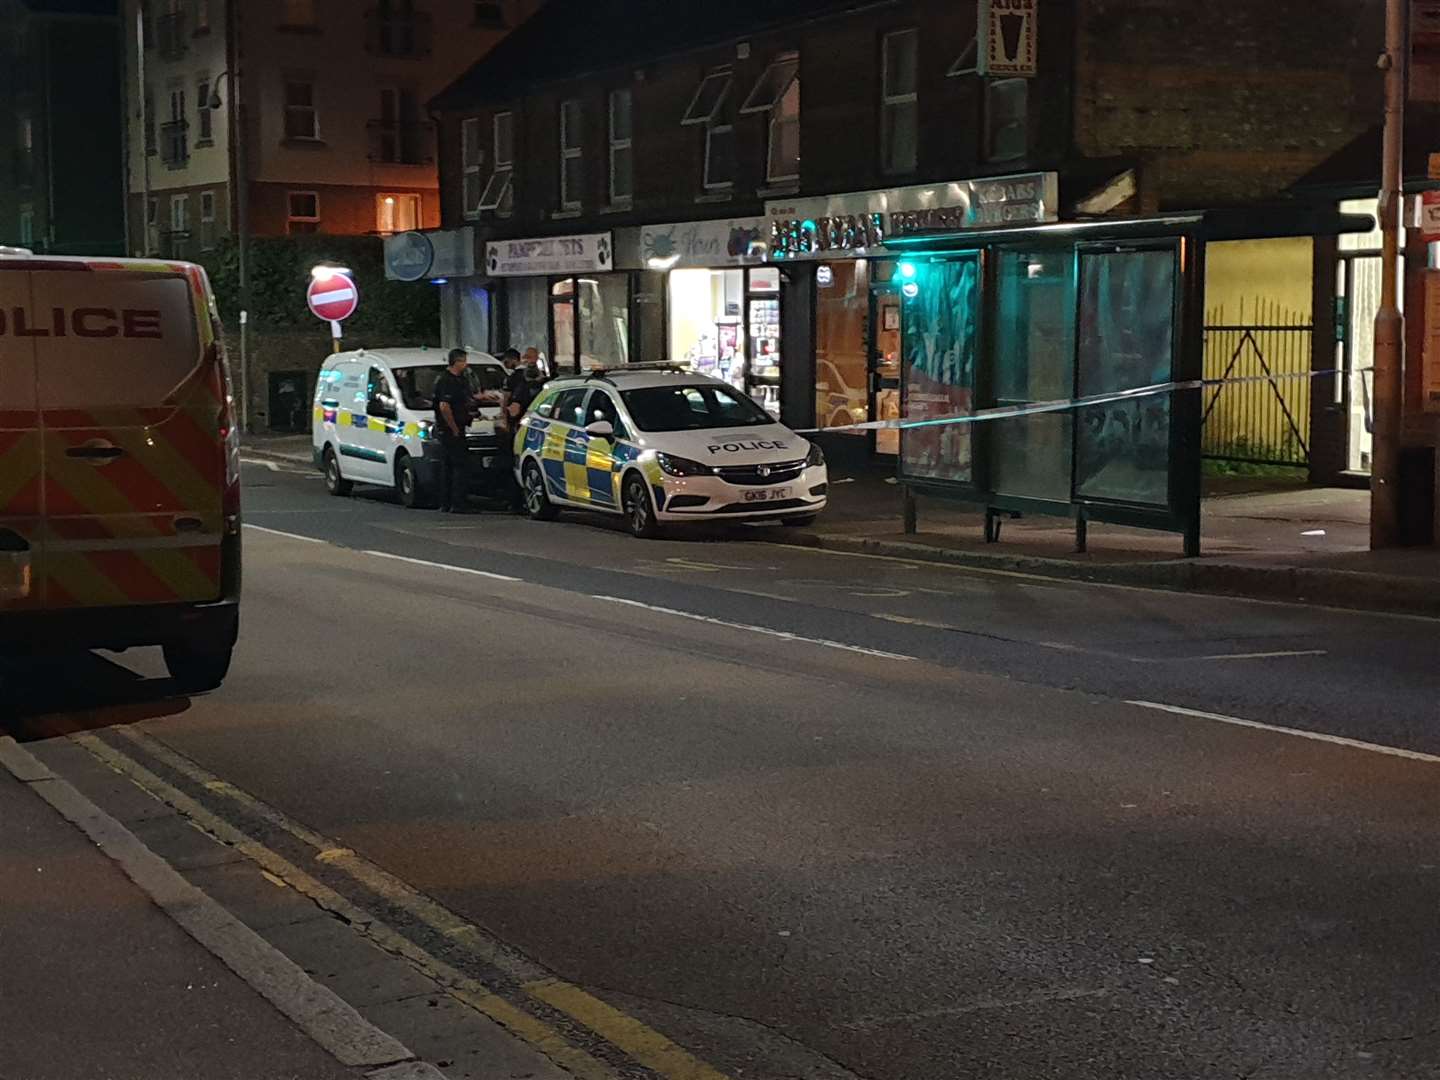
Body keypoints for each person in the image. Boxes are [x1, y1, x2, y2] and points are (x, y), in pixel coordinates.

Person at [433, 348, 474, 513]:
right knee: (459, 466)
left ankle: (447, 502)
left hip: (455, 427)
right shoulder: (447, 380)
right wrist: (454, 428)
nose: (466, 364)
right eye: (463, 361)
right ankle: (458, 503)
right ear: (456, 362)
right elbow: (444, 406)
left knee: (449, 466)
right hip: (451, 430)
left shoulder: (460, 379)